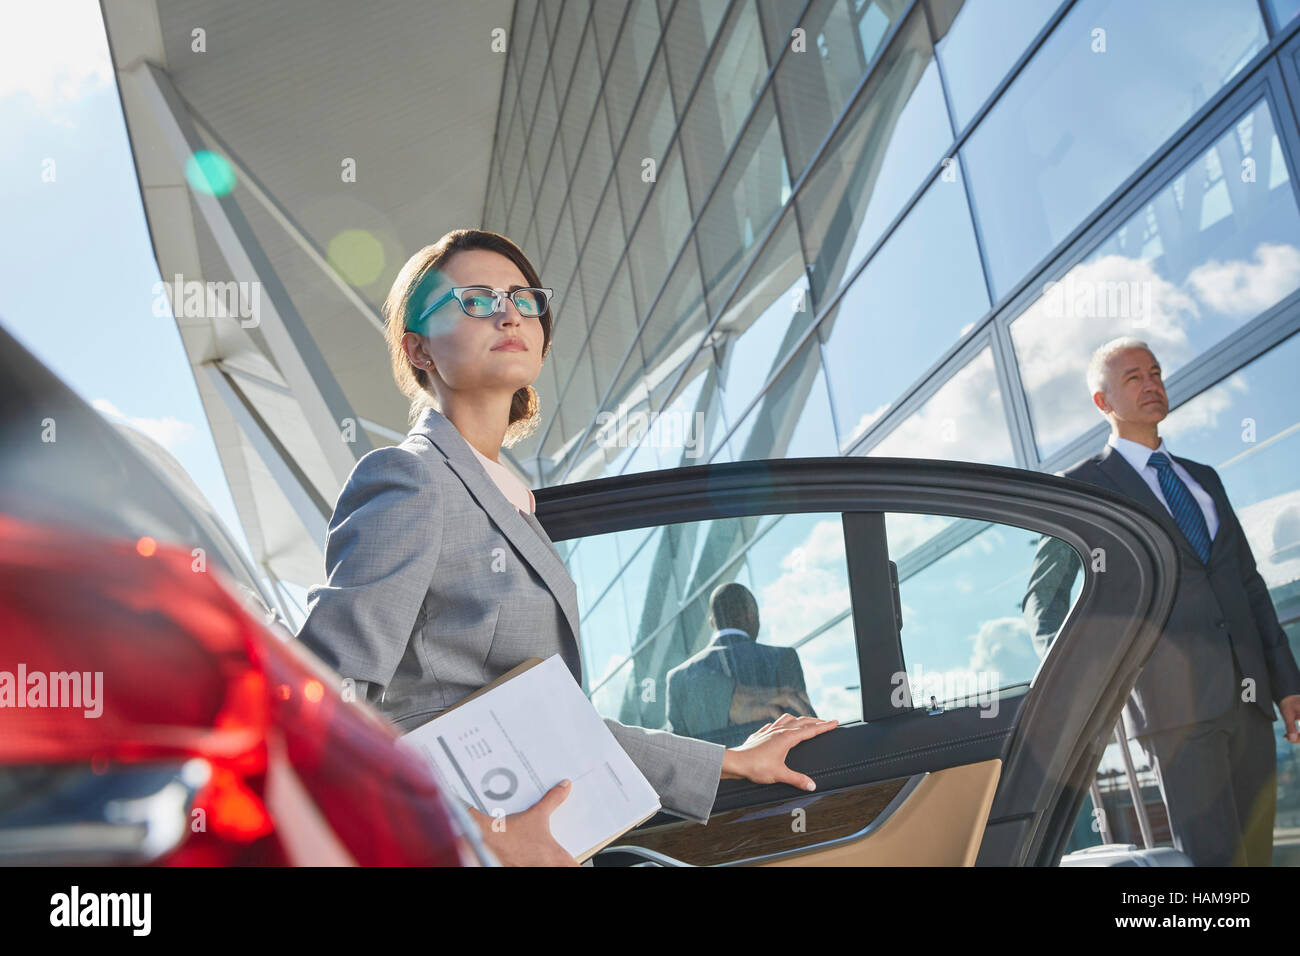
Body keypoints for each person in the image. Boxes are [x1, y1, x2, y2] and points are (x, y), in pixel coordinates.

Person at [296, 228, 838, 866]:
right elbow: (318, 706)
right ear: (419, 350)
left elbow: (553, 727)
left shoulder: (511, 503)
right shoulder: (411, 478)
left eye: (523, 299)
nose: (508, 312)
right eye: (475, 300)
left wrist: (732, 760)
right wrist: (480, 834)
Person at [1022, 336, 1300, 865]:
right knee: (1214, 864)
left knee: (1258, 857)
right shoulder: (1085, 487)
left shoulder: (1204, 479)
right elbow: (1043, 601)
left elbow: (1248, 583)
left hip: (1249, 699)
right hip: (1172, 713)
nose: (1152, 383)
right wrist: (1078, 687)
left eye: (1155, 373)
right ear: (1103, 402)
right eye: (1134, 377)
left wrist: (1286, 681)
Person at [666, 582, 815, 746]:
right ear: (751, 615)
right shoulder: (783, 657)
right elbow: (807, 728)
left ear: (712, 622)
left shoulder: (678, 679)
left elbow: (676, 752)